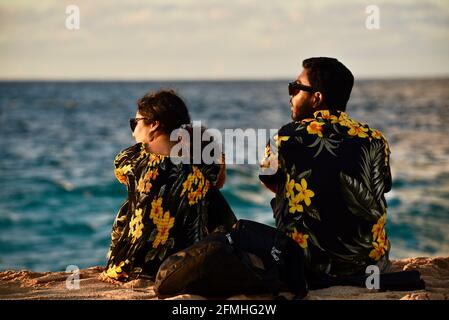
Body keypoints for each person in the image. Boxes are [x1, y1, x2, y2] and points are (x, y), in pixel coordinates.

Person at [259, 57, 392, 285]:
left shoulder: (283, 137)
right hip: (371, 266)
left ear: (316, 98)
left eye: (296, 88)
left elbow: (268, 180)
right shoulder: (376, 140)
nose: (290, 94)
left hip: (307, 265)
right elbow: (382, 187)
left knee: (285, 189)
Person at [104, 89, 236, 281]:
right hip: (181, 269)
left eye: (135, 123)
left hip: (130, 267)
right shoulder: (200, 168)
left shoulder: (133, 159)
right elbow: (217, 174)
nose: (133, 131)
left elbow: (120, 169)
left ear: (154, 124)